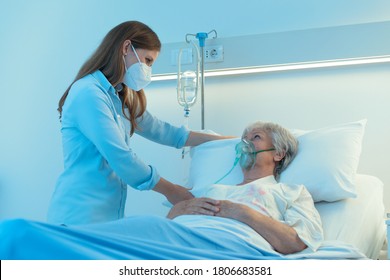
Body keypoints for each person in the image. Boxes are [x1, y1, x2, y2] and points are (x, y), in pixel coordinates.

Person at [47, 21, 230, 226]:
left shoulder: (118, 97)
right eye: (148, 60)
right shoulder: (88, 93)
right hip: (78, 217)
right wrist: (173, 191)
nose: (148, 70)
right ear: (126, 48)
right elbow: (122, 158)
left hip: (108, 218)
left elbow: (167, 133)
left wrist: (228, 141)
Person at [167, 121, 324, 254]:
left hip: (229, 249)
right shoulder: (212, 189)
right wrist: (178, 210)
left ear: (278, 154)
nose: (244, 144)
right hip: (175, 243)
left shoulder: (291, 192)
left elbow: (295, 242)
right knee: (143, 224)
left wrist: (242, 213)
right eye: (243, 140)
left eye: (256, 137)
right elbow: (169, 223)